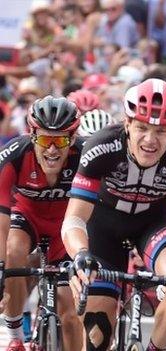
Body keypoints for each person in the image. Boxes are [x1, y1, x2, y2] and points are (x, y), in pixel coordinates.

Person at [61, 78, 166, 351]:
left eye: (161, 131)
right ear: (127, 123)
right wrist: (81, 254)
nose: (150, 140)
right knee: (98, 337)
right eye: (142, 127)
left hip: (154, 222)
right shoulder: (101, 147)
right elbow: (74, 218)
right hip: (103, 226)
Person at [0, 96, 84, 351]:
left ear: (72, 137)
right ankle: (15, 335)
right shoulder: (14, 155)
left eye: (60, 140)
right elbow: (1, 222)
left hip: (66, 228)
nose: (52, 149)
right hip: (27, 218)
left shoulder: (85, 156)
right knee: (13, 251)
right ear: (32, 135)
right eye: (46, 139)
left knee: (70, 313)